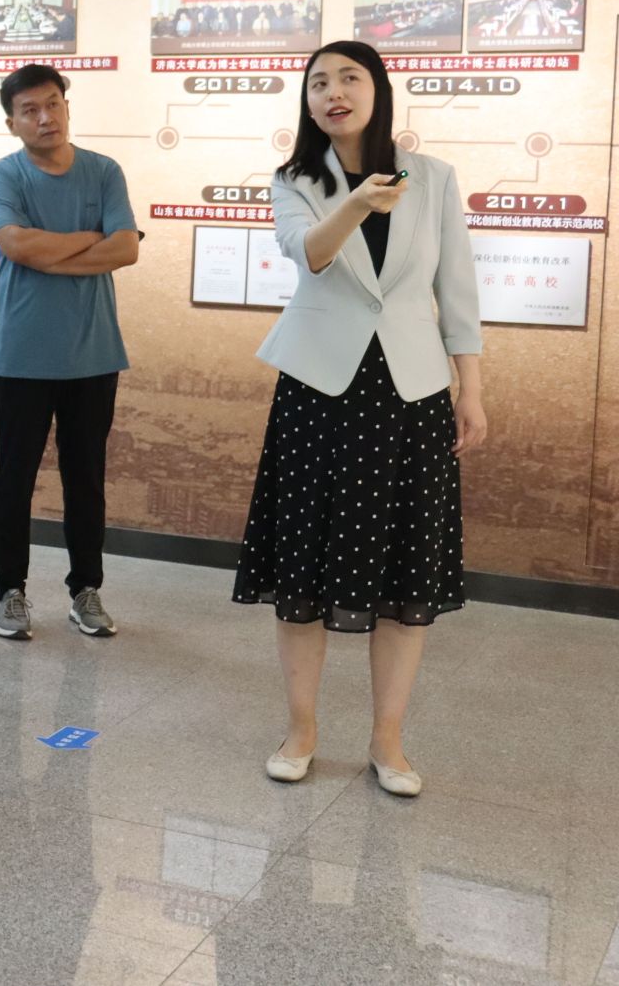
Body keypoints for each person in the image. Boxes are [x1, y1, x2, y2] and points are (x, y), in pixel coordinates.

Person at [233, 40, 486, 798]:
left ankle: (388, 741)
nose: (333, 92)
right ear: (307, 102)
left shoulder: (433, 178)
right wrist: (356, 201)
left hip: (412, 391)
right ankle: (301, 729)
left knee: (406, 573)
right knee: (302, 567)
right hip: (318, 388)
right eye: (318, 83)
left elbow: (457, 291)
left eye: (349, 78)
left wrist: (471, 390)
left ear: (378, 90)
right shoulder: (296, 180)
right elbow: (307, 253)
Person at [0, 63, 139, 641]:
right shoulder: (5, 174)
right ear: (12, 122)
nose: (45, 117)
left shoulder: (104, 171)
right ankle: (10, 593)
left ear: (67, 107)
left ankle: (85, 590)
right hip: (22, 353)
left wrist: (51, 252)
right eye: (30, 110)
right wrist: (90, 240)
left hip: (93, 352)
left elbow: (126, 250)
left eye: (53, 104)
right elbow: (17, 246)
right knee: (14, 478)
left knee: (86, 479)